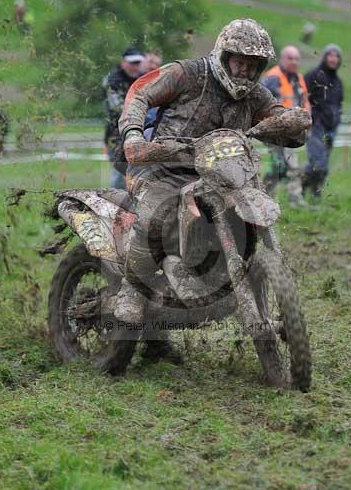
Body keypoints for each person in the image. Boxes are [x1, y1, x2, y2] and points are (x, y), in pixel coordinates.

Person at [114, 19, 311, 343]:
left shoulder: (255, 96)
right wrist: (133, 134)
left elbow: (281, 119)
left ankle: (240, 280)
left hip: (223, 175)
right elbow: (140, 92)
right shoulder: (188, 74)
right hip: (163, 168)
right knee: (155, 215)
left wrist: (291, 124)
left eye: (252, 66)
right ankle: (132, 291)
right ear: (224, 56)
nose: (243, 72)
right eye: (239, 63)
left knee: (252, 205)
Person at [261, 44, 310, 206]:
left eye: (296, 59)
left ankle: (292, 198)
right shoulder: (271, 78)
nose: (294, 62)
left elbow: (304, 102)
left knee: (289, 165)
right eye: (290, 58)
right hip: (273, 130)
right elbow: (259, 104)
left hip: (292, 131)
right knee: (281, 166)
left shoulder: (298, 78)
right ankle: (267, 198)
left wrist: (307, 121)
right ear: (282, 59)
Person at [303, 43, 344, 198]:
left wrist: (337, 119)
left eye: (337, 56)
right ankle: (300, 185)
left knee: (323, 166)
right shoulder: (313, 75)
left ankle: (315, 192)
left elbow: (339, 104)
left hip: (331, 128)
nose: (333, 59)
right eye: (330, 55)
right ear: (325, 57)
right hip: (315, 126)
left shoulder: (338, 82)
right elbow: (302, 97)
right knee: (317, 163)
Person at [102, 46, 145, 189]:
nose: (135, 66)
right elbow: (118, 108)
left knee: (141, 174)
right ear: (123, 63)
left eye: (137, 63)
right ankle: (117, 205)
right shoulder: (112, 81)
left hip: (141, 132)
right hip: (116, 135)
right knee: (119, 174)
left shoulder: (144, 79)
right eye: (132, 63)